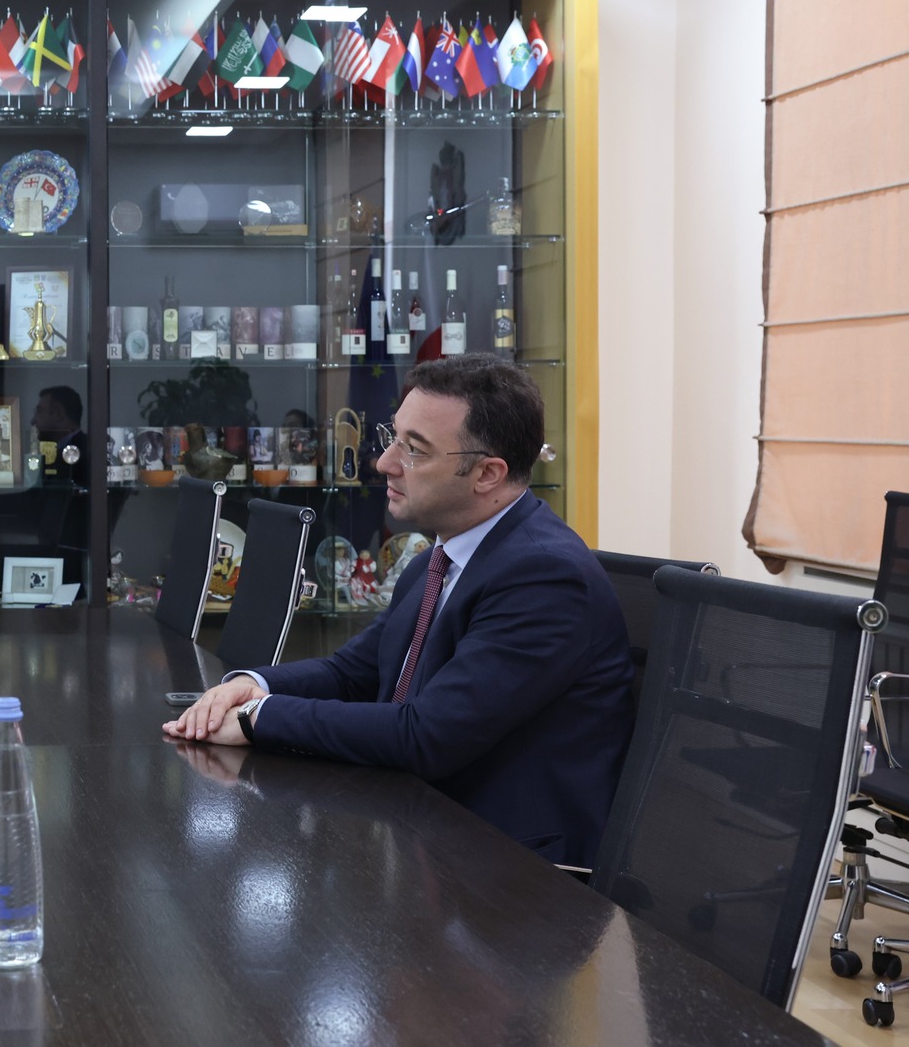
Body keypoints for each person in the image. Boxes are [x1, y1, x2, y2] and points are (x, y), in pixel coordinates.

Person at [165, 354, 633, 867]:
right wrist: (253, 685)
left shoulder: (544, 578)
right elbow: (352, 674)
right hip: (423, 831)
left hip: (514, 872)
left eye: (414, 450)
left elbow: (427, 735)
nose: (384, 463)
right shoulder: (438, 559)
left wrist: (260, 718)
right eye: (394, 437)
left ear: (487, 473)